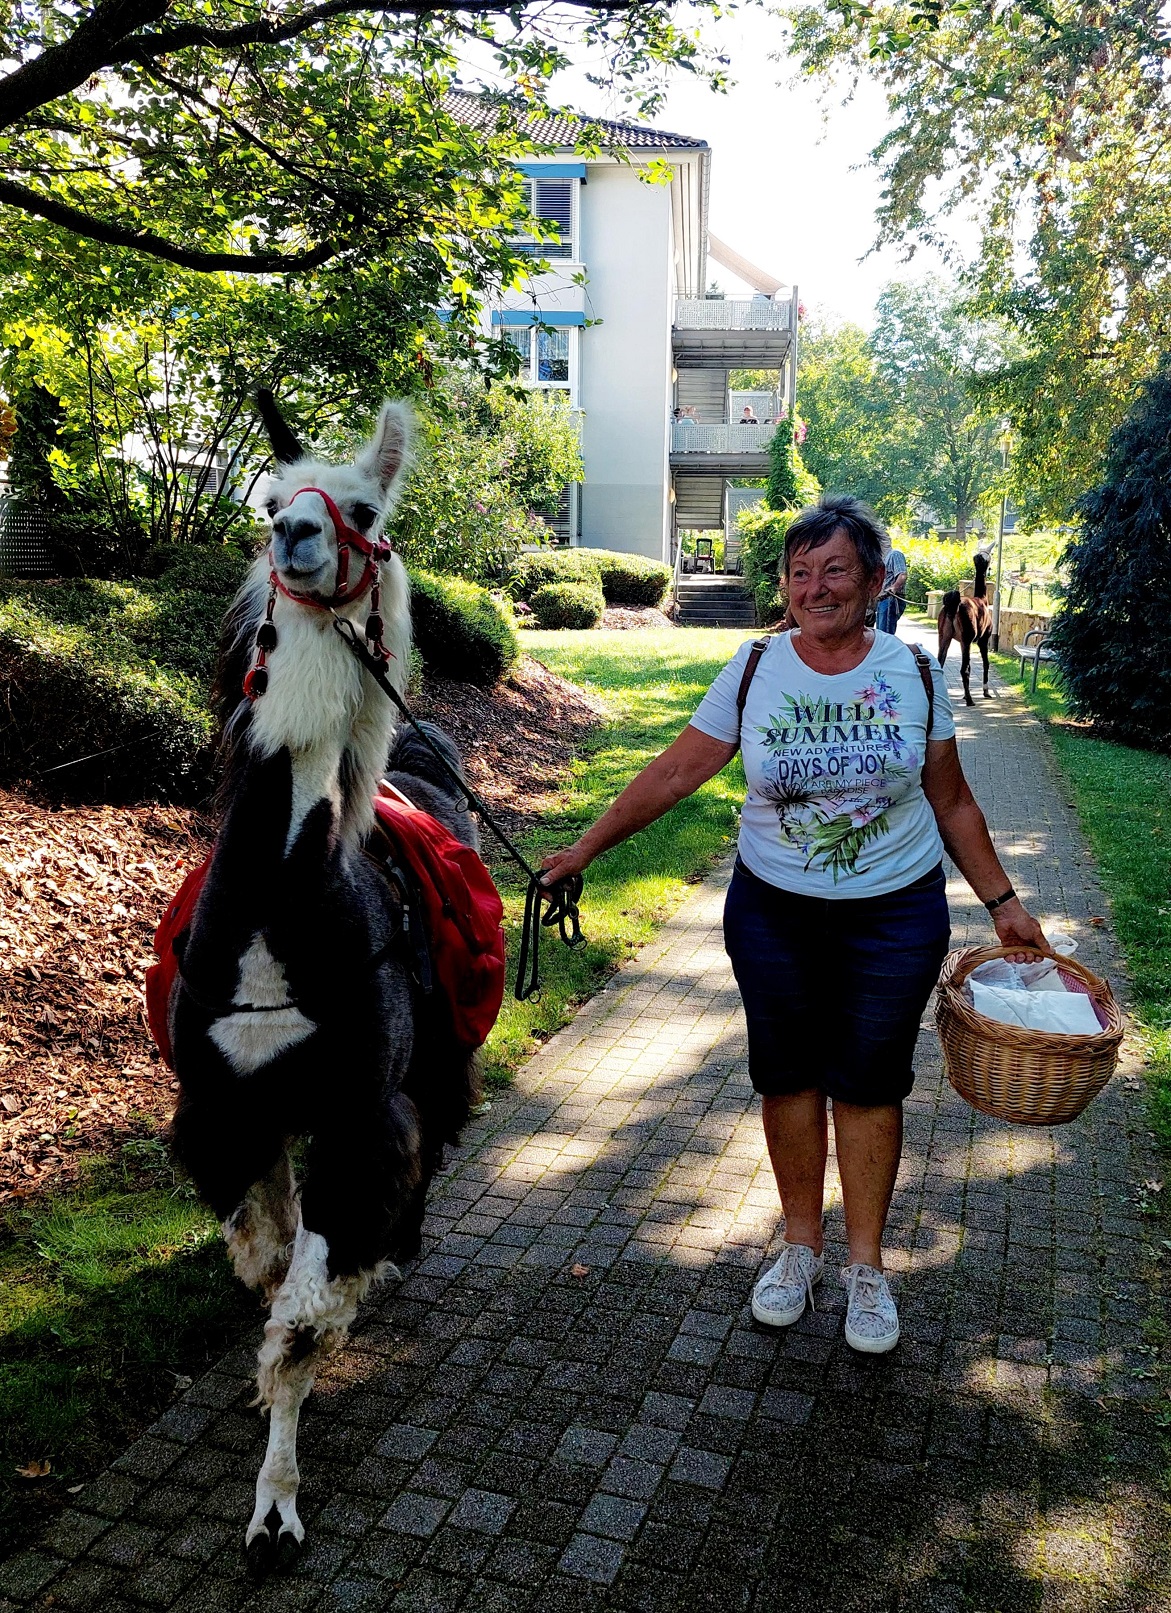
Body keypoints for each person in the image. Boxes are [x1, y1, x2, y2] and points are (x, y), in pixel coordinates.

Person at [540, 494, 1045, 1354]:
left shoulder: (911, 672)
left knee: (869, 1081)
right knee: (786, 1077)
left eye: (835, 569)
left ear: (874, 580)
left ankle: (866, 1269)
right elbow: (674, 771)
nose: (815, 587)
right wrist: (583, 849)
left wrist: (1004, 904)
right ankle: (798, 1247)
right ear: (784, 584)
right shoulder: (753, 668)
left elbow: (951, 799)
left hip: (894, 913)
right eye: (799, 572)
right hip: (773, 911)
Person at [876, 544, 908, 634]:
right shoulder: (883, 559)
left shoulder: (894, 554)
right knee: (880, 634)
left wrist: (894, 587)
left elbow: (902, 575)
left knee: (885, 635)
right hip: (883, 600)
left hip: (891, 599)